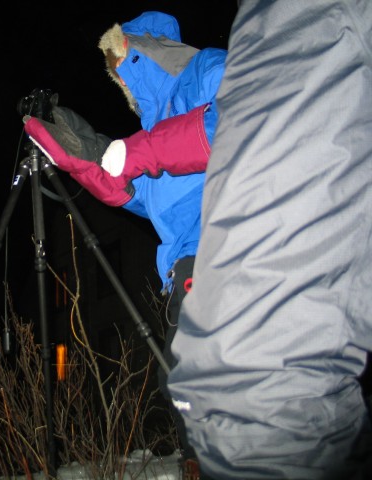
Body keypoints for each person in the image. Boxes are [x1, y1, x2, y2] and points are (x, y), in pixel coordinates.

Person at [168, 1, 372, 479]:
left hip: (234, 270)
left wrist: (134, 152)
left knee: (248, 390)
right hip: (199, 275)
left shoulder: (210, 71)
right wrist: (94, 157)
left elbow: (208, 130)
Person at [23, 10, 227, 476]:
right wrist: (80, 149)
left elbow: (240, 121)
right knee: (183, 384)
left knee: (205, 380)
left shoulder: (206, 68)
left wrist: (137, 153)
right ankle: (203, 464)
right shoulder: (153, 125)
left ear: (142, 52)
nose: (119, 78)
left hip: (228, 247)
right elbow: (133, 191)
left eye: (121, 63)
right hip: (184, 268)